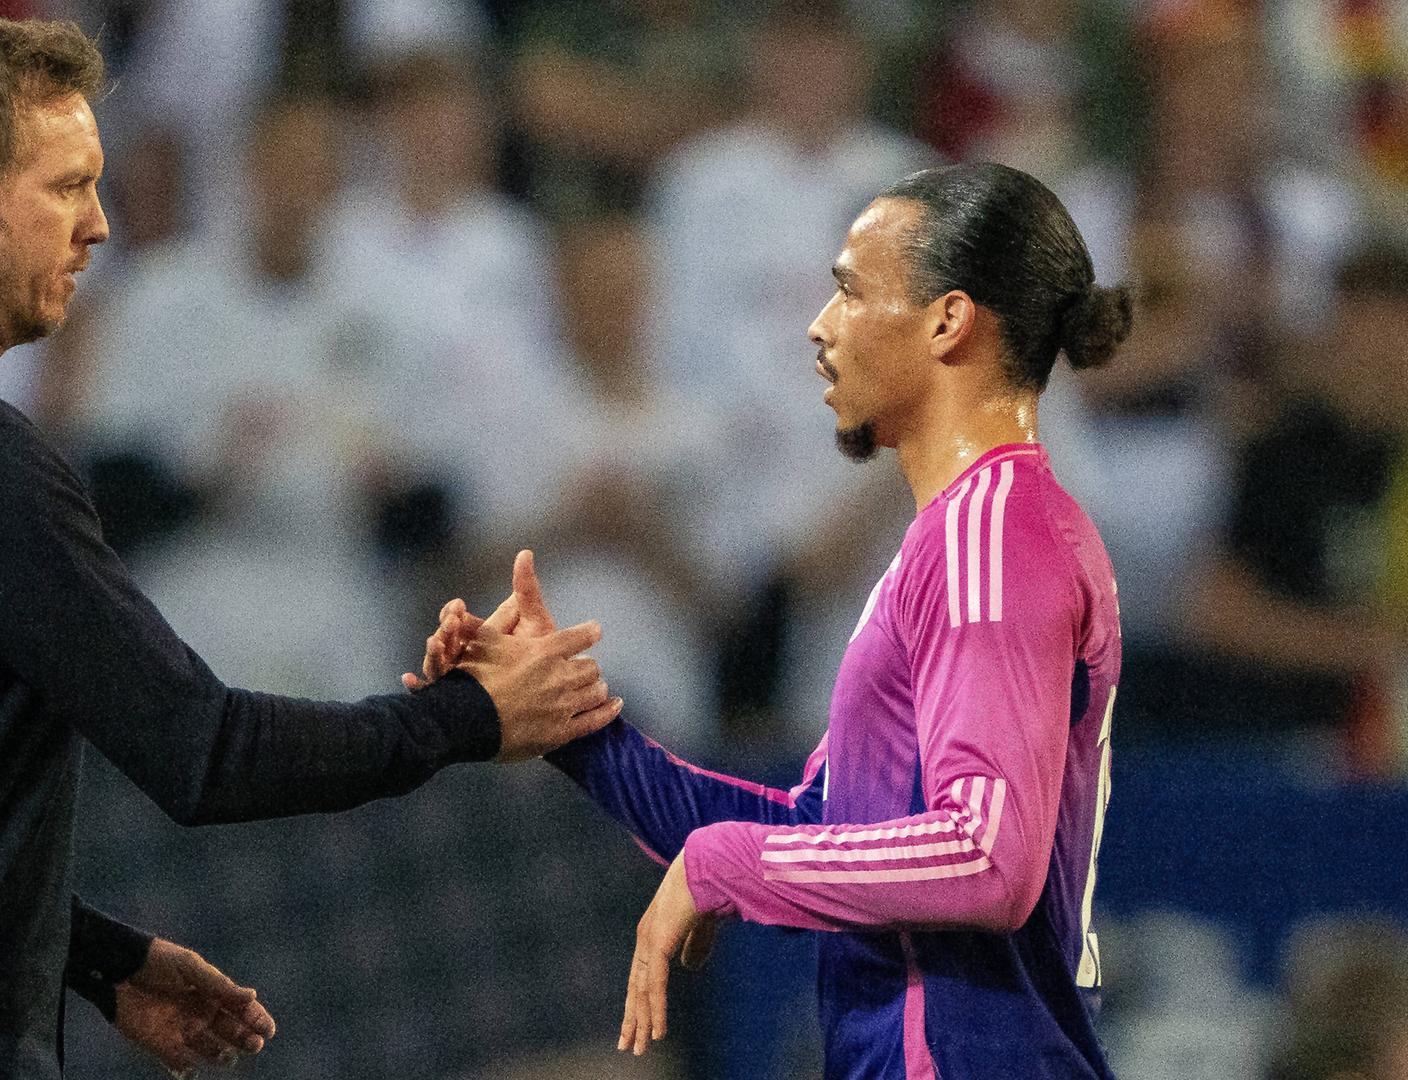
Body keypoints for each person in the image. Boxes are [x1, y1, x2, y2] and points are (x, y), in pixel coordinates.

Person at [0, 15, 620, 1080]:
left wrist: (90, 952)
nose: (98, 228)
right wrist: (473, 715)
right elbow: (201, 751)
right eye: (65, 187)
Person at [418, 162, 1132, 1076]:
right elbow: (817, 824)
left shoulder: (992, 537)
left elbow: (989, 857)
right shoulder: (953, 538)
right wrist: (565, 721)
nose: (820, 327)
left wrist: (730, 867)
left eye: (852, 296)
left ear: (947, 324)